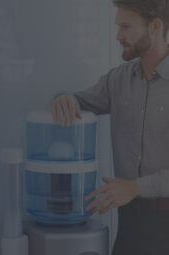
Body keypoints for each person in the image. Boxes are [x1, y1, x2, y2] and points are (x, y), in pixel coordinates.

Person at [52, 0, 169, 254]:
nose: (118, 36)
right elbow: (78, 100)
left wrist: (134, 187)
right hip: (129, 224)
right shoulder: (118, 80)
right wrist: (65, 98)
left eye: (126, 27)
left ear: (155, 27)